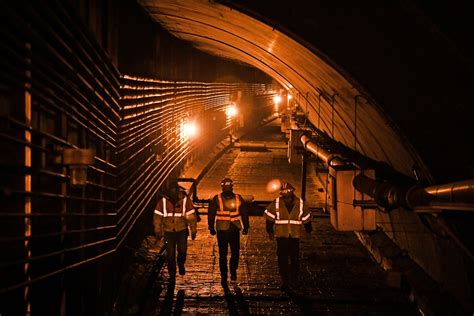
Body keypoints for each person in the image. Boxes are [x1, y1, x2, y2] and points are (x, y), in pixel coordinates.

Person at [264, 181, 312, 291]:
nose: (286, 196)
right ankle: (285, 281)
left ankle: (293, 280)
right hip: (281, 236)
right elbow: (269, 218)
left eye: (288, 192)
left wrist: (308, 230)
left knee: (294, 259)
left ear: (292, 192)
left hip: (294, 236)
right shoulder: (276, 203)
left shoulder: (300, 204)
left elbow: (306, 218)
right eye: (284, 193)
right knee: (282, 259)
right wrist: (270, 231)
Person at [208, 177, 249, 286]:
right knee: (225, 253)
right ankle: (226, 274)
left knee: (231, 253)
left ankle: (230, 272)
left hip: (230, 229)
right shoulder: (219, 199)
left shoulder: (234, 198)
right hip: (226, 229)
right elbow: (211, 214)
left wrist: (246, 226)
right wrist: (211, 227)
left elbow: (244, 212)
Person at [154, 181, 197, 282]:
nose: (173, 191)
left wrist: (193, 229)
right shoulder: (163, 201)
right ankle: (172, 274)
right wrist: (158, 230)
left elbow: (191, 216)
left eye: (175, 190)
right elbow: (157, 216)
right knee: (170, 254)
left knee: (182, 250)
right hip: (168, 232)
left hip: (181, 230)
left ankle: (181, 263)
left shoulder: (185, 200)